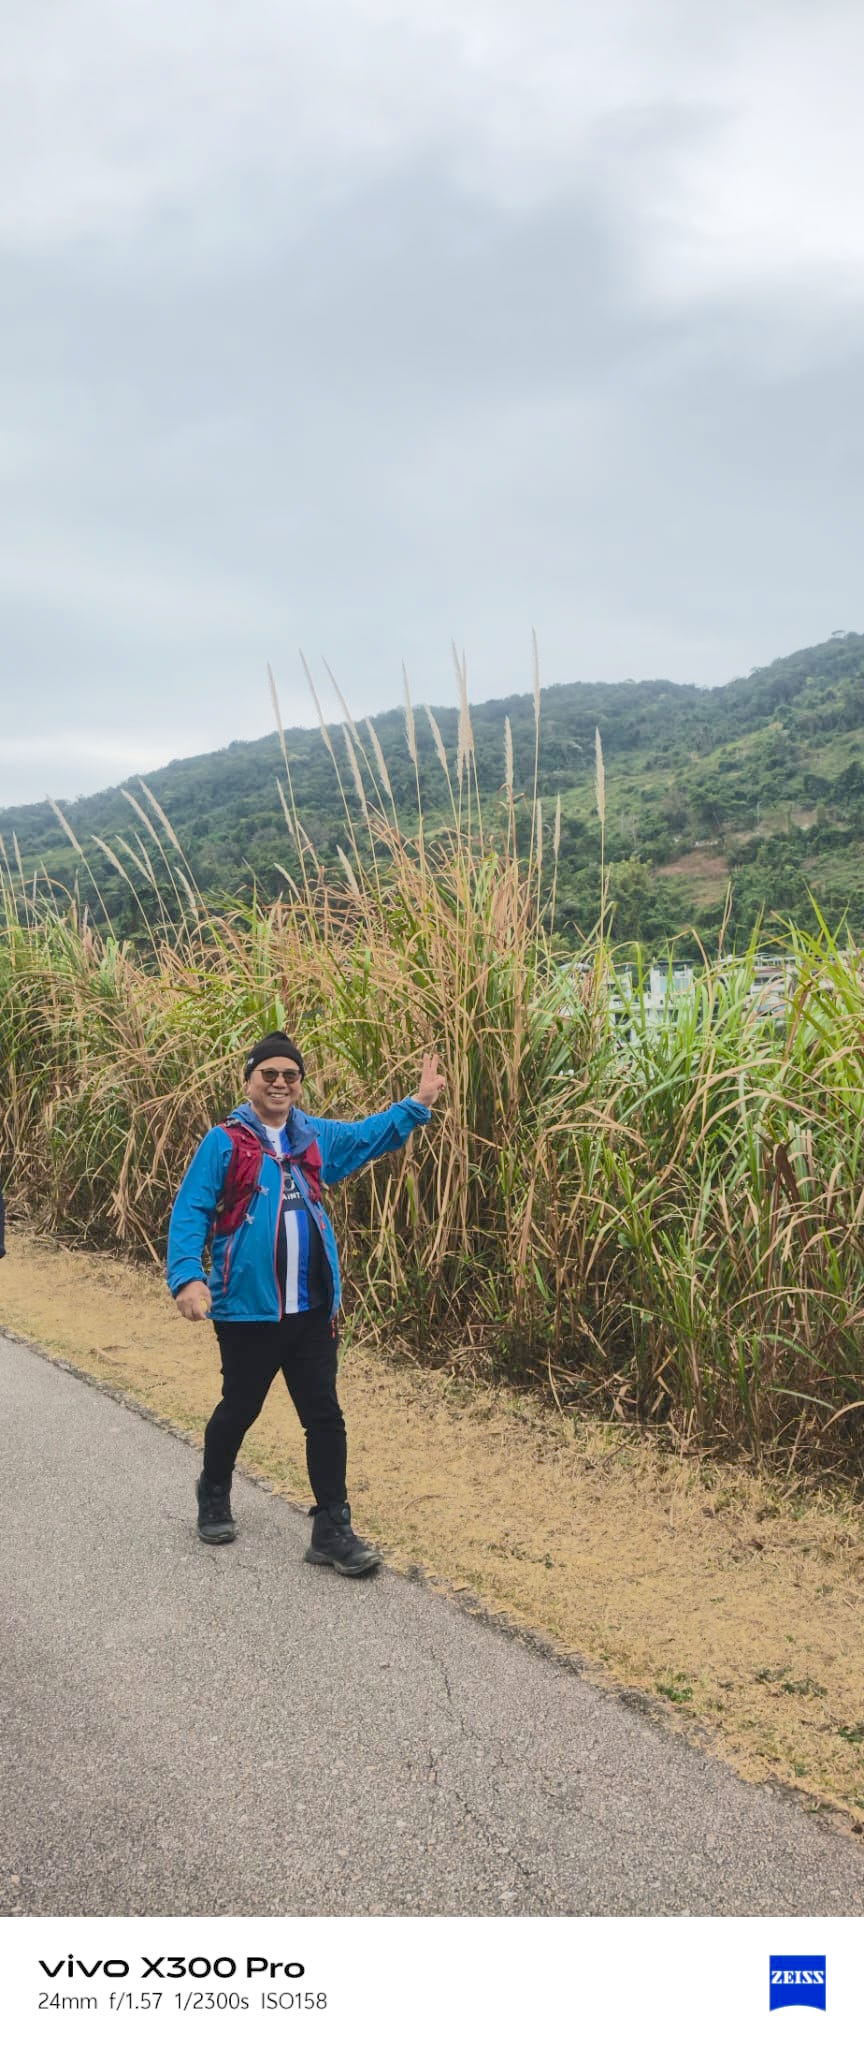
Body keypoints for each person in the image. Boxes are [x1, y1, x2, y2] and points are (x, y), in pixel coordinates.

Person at [166, 1032, 445, 1573]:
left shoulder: (312, 1136)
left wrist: (418, 1104)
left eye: (289, 1075)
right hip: (248, 1310)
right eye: (268, 1073)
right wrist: (187, 1279)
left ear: (299, 1083)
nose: (279, 1083)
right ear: (250, 1080)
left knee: (324, 1416)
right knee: (240, 1408)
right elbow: (191, 1209)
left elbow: (366, 1136)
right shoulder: (224, 1142)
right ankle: (214, 1490)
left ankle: (332, 1530)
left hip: (313, 1309)